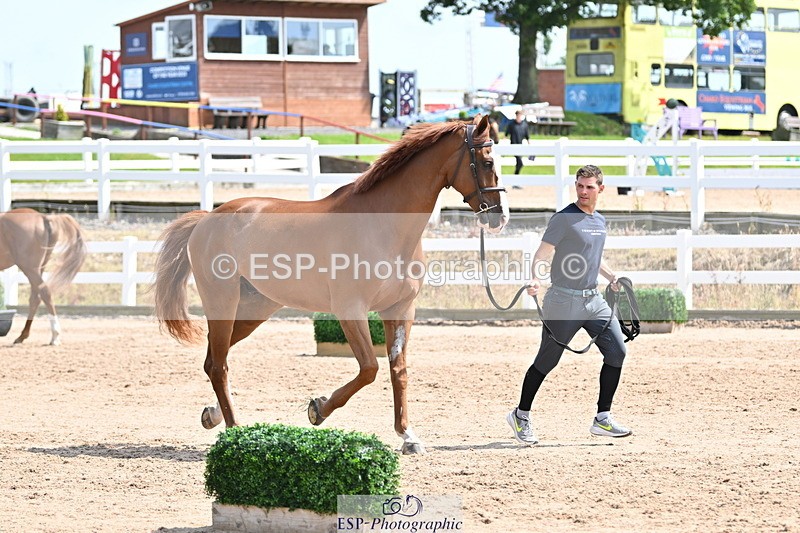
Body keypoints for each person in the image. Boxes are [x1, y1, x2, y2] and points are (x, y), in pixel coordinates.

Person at [506, 164, 632, 445]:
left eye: (589, 187)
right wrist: (535, 278)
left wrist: (612, 277)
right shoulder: (563, 219)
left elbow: (593, 257)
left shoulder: (599, 221)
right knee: (547, 361)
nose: (583, 191)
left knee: (617, 352)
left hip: (594, 300)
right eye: (580, 186)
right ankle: (520, 414)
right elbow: (541, 255)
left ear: (601, 189)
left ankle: (602, 418)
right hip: (563, 301)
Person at [504, 109, 530, 176]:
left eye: (520, 115)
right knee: (520, 162)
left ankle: (516, 176)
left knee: (519, 163)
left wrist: (529, 143)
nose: (518, 116)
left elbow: (527, 135)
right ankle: (516, 176)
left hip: (521, 146)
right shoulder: (511, 124)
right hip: (513, 146)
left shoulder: (524, 125)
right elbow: (506, 134)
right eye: (517, 115)